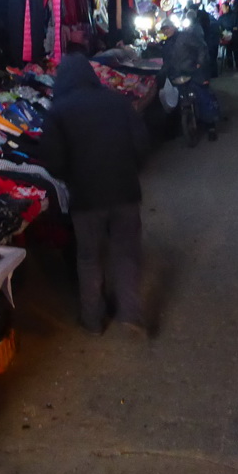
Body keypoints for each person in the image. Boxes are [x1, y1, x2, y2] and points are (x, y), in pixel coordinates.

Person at [41, 54, 150, 335]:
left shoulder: (58, 111)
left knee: (89, 258)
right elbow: (141, 144)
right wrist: (128, 169)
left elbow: (51, 160)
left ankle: (92, 320)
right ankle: (130, 315)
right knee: (127, 253)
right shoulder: (117, 102)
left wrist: (72, 177)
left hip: (86, 197)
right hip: (124, 191)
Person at [162, 17, 220, 140]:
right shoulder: (166, 44)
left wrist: (199, 63)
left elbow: (201, 47)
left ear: (173, 27)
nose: (166, 31)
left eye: (167, 28)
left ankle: (211, 126)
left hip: (194, 73)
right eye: (164, 29)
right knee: (176, 101)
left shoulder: (185, 36)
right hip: (178, 76)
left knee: (203, 97)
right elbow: (167, 62)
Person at [218, 0, 238, 71]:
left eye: (223, 7)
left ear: (228, 7)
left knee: (236, 51)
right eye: (221, 8)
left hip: (235, 36)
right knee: (228, 52)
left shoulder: (235, 16)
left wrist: (232, 29)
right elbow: (219, 26)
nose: (222, 9)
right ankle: (230, 65)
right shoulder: (221, 17)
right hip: (226, 36)